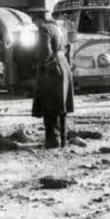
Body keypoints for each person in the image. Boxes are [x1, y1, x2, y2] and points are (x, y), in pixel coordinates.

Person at [29, 8, 74, 149]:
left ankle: (52, 141)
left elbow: (45, 52)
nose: (35, 24)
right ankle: (63, 140)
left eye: (34, 21)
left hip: (51, 70)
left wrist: (39, 65)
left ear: (38, 19)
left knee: (49, 106)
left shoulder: (43, 29)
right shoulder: (58, 27)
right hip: (63, 66)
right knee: (61, 106)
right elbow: (68, 47)